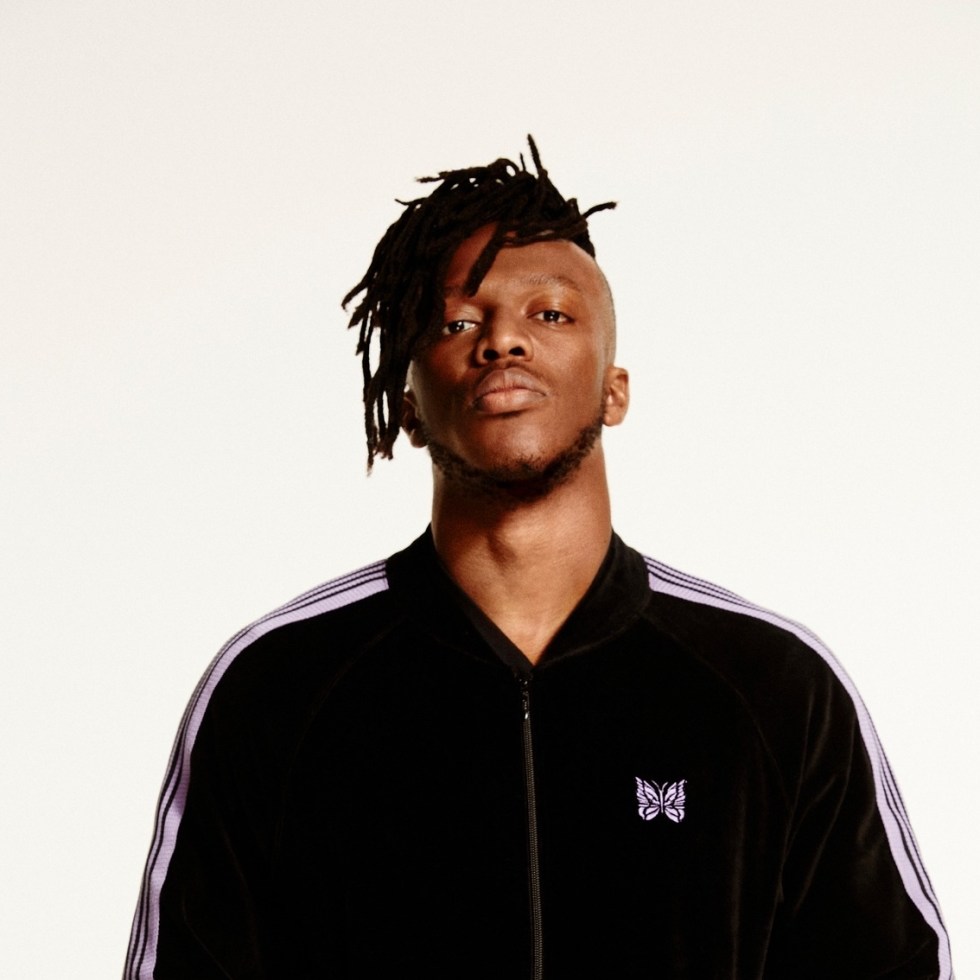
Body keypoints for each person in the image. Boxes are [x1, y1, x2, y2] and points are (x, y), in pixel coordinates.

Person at [124, 138, 952, 979]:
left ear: (614, 389)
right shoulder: (279, 687)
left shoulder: (774, 687)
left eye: (549, 314)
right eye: (458, 322)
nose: (502, 342)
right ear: (409, 408)